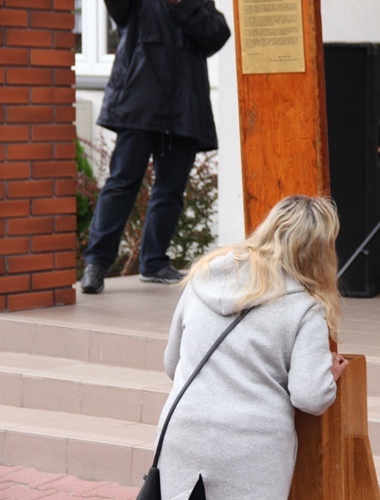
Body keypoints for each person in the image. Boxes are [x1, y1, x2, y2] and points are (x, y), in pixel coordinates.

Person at [157, 195, 349, 499]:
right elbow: (310, 396)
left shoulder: (202, 277)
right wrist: (328, 375)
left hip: (183, 431)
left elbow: (172, 365)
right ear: (319, 250)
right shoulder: (305, 307)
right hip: (252, 444)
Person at [80, 0, 231, 294]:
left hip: (184, 106)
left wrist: (181, 5)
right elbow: (119, 13)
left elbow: (216, 34)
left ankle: (154, 262)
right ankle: (96, 263)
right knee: (122, 182)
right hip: (139, 101)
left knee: (171, 189)